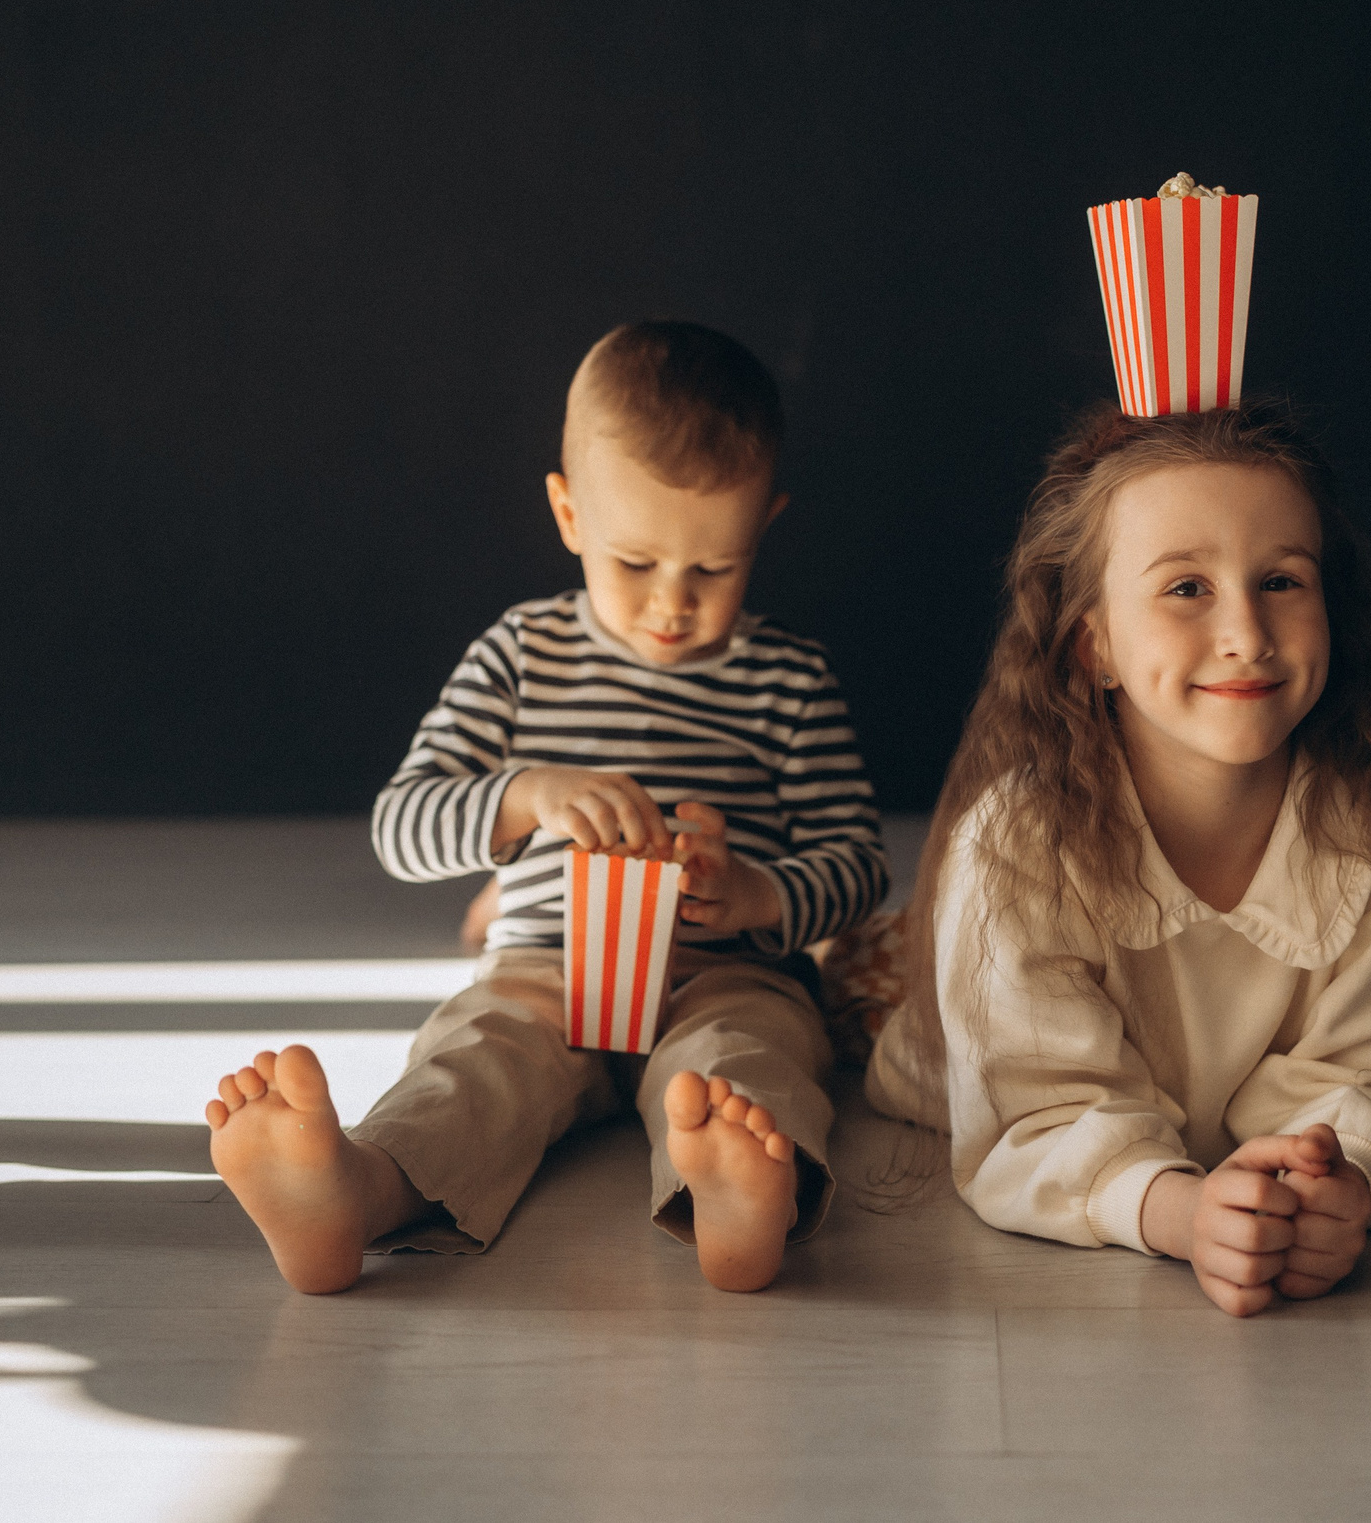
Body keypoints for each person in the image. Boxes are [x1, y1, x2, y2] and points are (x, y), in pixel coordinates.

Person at [205, 322, 888, 1295]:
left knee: (747, 1062)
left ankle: (738, 1199)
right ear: (568, 513)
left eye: (713, 569)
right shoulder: (521, 654)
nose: (670, 603)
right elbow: (402, 824)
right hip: (547, 967)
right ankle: (354, 1190)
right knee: (476, 1062)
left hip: (719, 970)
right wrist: (525, 793)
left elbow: (856, 862)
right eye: (636, 560)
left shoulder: (788, 679)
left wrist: (755, 893)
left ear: (763, 526)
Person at [866, 399, 1371, 1317]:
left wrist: (1332, 1180)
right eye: (1187, 588)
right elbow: (1037, 1115)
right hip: (901, 1000)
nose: (1248, 636)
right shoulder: (1015, 852)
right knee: (839, 970)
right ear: (1092, 642)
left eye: (1281, 582)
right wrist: (1181, 1210)